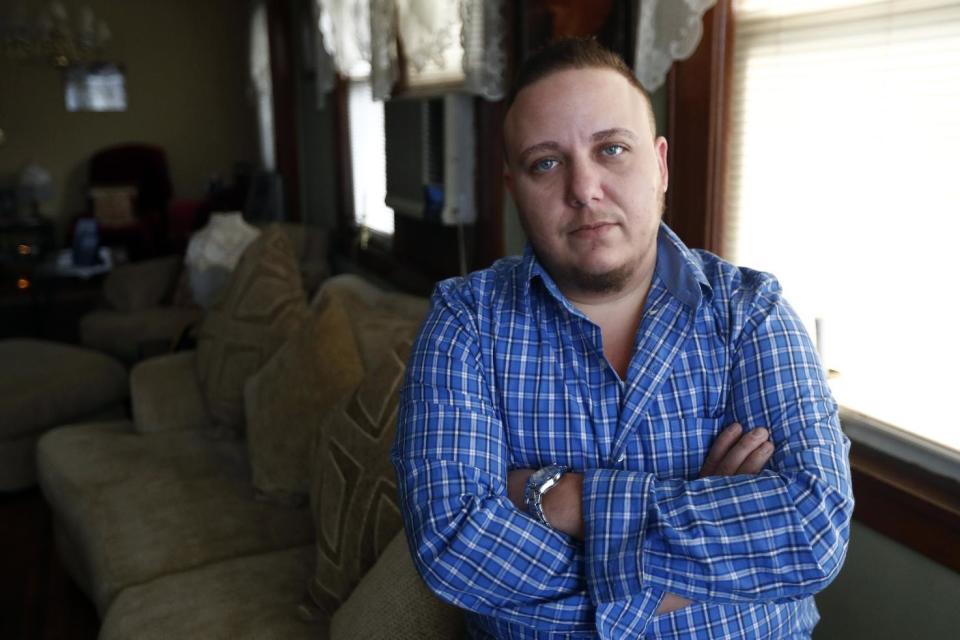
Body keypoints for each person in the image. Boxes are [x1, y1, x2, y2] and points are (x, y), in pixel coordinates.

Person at [392, 37, 852, 639]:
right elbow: (454, 545)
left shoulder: (751, 312)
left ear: (659, 164)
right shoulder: (465, 322)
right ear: (514, 187)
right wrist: (704, 524)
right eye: (546, 162)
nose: (584, 188)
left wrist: (562, 498)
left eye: (612, 149)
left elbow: (810, 532)